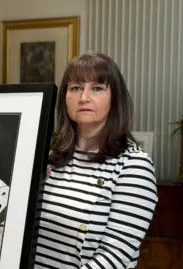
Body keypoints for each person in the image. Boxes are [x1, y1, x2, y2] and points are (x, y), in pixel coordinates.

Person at [31, 52, 158, 268]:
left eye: (97, 88)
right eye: (76, 88)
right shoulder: (46, 156)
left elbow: (114, 256)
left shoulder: (134, 166)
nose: (84, 98)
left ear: (114, 98)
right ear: (65, 98)